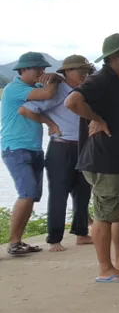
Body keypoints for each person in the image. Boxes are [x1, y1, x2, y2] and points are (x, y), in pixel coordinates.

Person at [66, 34, 119, 282]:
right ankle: (105, 268)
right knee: (104, 215)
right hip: (104, 160)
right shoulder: (100, 79)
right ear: (115, 57)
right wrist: (96, 119)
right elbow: (72, 101)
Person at [19, 55, 95, 252]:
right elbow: (25, 110)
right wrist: (50, 123)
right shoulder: (56, 90)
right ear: (67, 72)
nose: (84, 75)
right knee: (59, 193)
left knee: (83, 190)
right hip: (61, 146)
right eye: (80, 71)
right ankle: (54, 238)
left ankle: (81, 233)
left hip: (83, 145)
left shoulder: (86, 90)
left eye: (87, 71)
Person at [3, 52, 61, 256]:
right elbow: (47, 95)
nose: (42, 72)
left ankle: (18, 241)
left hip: (34, 148)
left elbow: (41, 108)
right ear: (24, 70)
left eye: (44, 69)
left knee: (32, 196)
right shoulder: (15, 88)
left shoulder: (33, 88)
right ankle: (13, 242)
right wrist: (54, 80)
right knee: (27, 193)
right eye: (38, 68)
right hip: (15, 147)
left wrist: (51, 123)